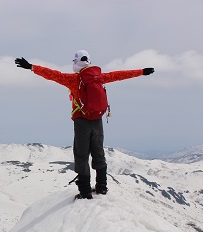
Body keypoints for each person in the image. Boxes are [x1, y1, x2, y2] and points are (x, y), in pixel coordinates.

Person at [15, 50, 154, 199]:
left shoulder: (73, 79)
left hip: (82, 121)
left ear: (75, 62)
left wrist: (31, 67)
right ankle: (101, 187)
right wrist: (142, 72)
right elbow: (119, 75)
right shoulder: (99, 77)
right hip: (97, 120)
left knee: (81, 156)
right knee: (98, 153)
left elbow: (52, 74)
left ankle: (85, 192)